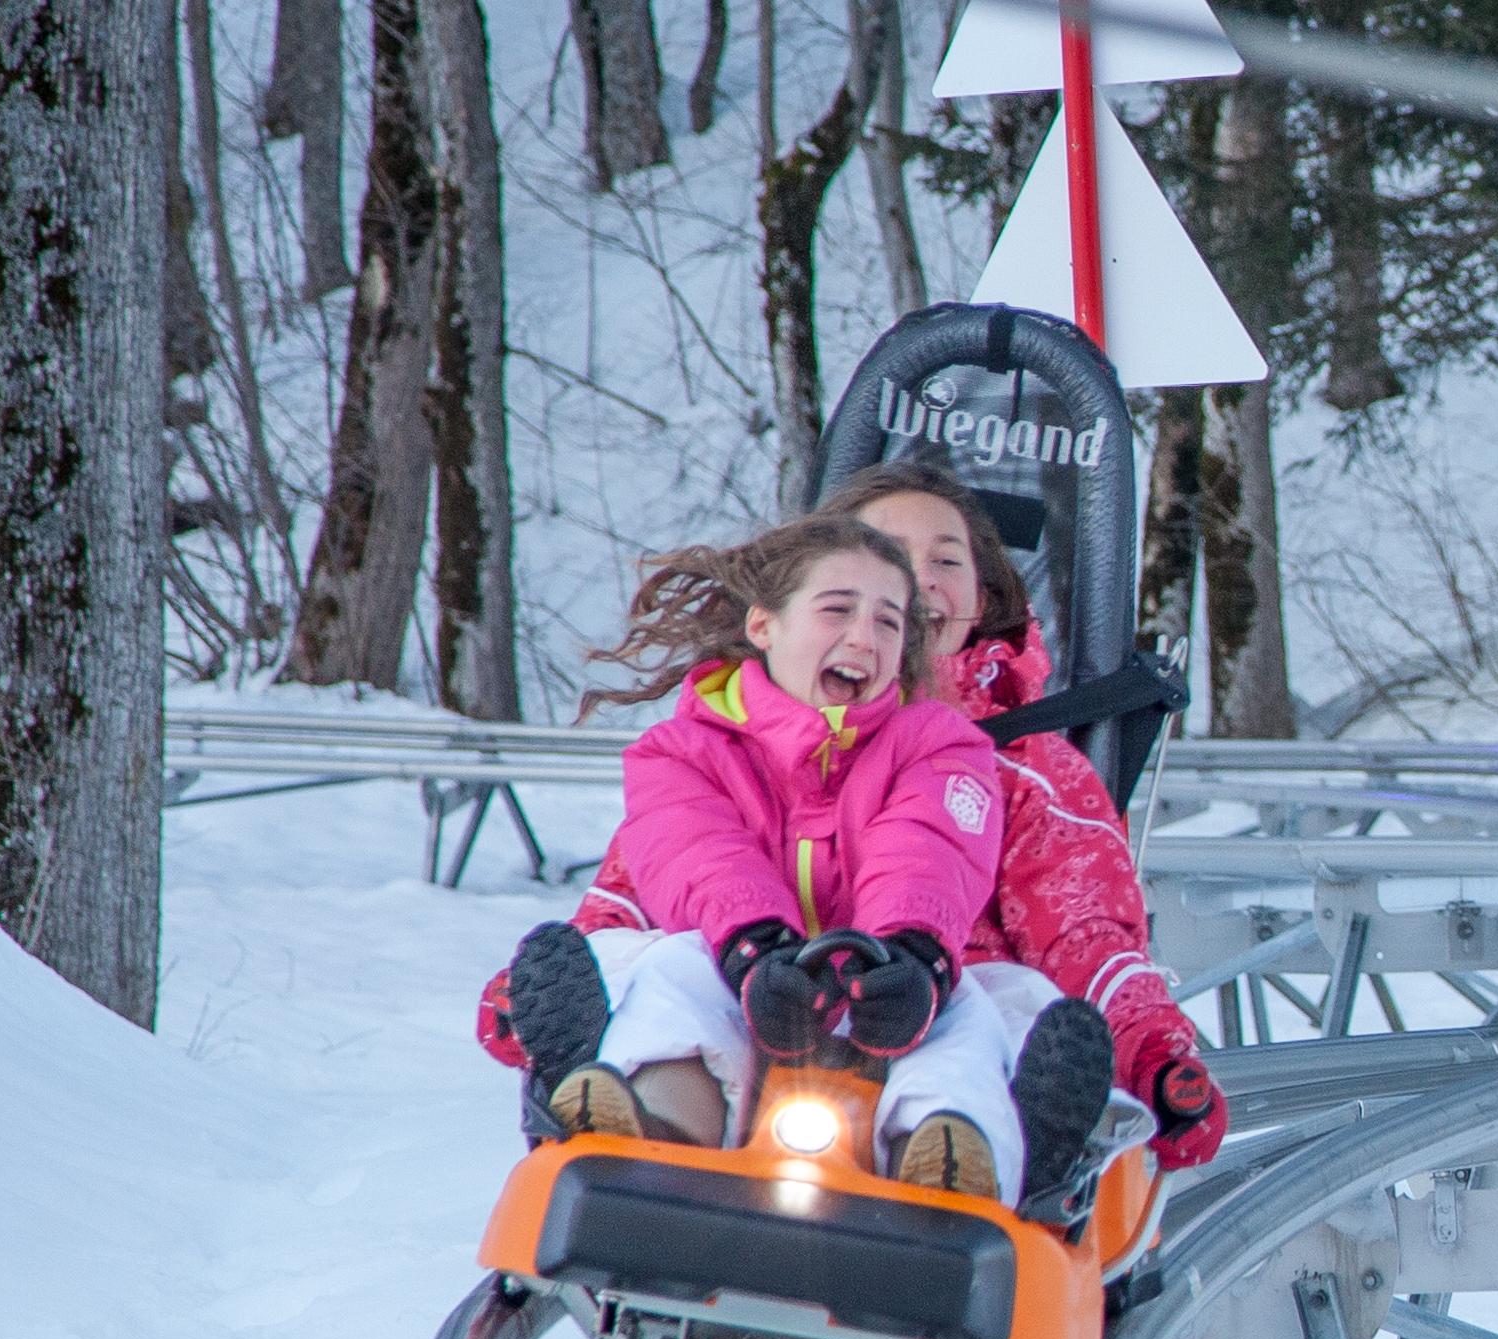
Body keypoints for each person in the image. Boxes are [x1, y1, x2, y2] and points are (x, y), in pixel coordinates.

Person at [482, 514, 1116, 1209]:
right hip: (744, 973)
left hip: (888, 988)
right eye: (837, 609)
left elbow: (927, 846)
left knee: (974, 1013)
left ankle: (952, 1152)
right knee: (670, 969)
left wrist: (911, 955)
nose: (862, 637)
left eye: (887, 622)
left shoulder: (939, 742)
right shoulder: (680, 749)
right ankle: (647, 1118)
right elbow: (700, 854)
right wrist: (756, 952)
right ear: (764, 625)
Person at [821, 457, 1228, 1169]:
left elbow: (1082, 932)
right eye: (887, 555)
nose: (920, 580)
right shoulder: (760, 737)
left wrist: (1153, 1054)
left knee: (1000, 1011)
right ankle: (620, 1092)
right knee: (679, 968)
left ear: (982, 600)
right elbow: (671, 867)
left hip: (951, 1008)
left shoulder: (1028, 771)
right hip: (785, 998)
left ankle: (984, 1151)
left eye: (947, 560)